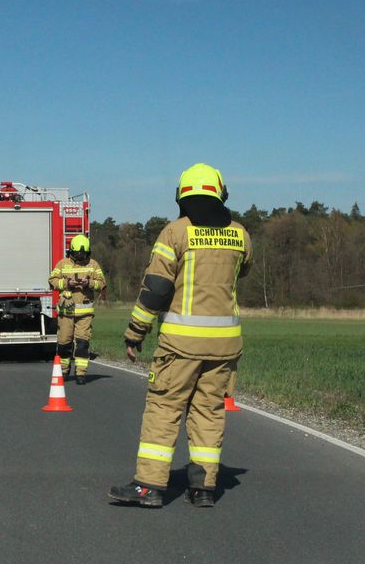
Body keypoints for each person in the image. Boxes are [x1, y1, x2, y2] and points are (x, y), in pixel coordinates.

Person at [108, 163, 252, 508]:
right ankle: (203, 487)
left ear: (181, 197)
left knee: (164, 408)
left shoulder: (175, 233)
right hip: (225, 347)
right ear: (221, 193)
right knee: (209, 411)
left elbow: (156, 288)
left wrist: (135, 331)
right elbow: (242, 271)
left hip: (181, 346)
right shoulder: (241, 235)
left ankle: (149, 486)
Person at [48, 234, 106, 384]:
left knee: (82, 344)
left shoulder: (93, 265)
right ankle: (63, 372)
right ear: (71, 251)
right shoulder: (62, 264)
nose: (80, 257)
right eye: (77, 254)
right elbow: (52, 281)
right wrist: (67, 283)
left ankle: (81, 374)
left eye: (83, 254)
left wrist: (89, 283)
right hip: (66, 313)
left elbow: (102, 284)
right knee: (64, 343)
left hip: (85, 314)